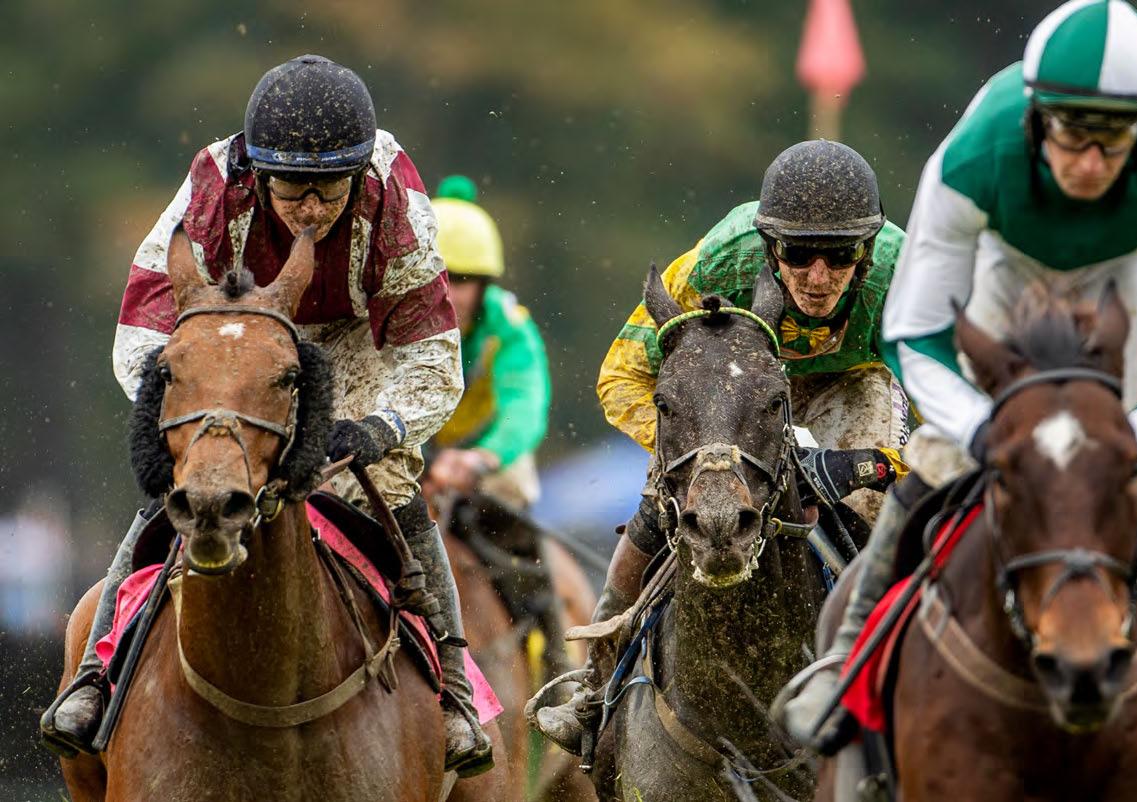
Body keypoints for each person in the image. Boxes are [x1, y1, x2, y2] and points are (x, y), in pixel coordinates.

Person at [782, 0, 1137, 776]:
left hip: (1125, 276)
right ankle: (846, 659)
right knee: (939, 459)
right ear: (1036, 116)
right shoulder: (971, 158)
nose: (1090, 163)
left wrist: (1125, 446)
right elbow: (914, 333)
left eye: (1114, 140)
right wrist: (980, 432)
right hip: (1001, 269)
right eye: (1073, 134)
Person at [40, 55, 493, 776]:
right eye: (292, 189)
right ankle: (97, 675)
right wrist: (185, 422)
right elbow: (144, 334)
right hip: (235, 336)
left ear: (359, 175)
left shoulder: (395, 200)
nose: (311, 209)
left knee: (392, 486)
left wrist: (378, 430)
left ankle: (455, 693)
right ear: (257, 173)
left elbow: (431, 358)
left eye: (329, 189)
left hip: (360, 340)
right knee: (194, 481)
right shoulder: (212, 190)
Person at [534, 139, 912, 754]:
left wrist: (877, 466)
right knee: (664, 504)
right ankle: (595, 686)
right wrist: (703, 450)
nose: (818, 278)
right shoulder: (715, 266)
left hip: (855, 385)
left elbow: (948, 410)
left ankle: (903, 676)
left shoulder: (907, 277)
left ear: (866, 251)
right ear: (769, 246)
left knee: (884, 506)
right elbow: (621, 376)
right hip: (728, 399)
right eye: (799, 255)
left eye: (840, 256)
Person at [424, 176, 551, 511]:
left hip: (479, 452)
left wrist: (483, 457)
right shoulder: (384, 316)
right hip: (403, 445)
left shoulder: (510, 328)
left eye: (461, 281)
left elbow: (524, 403)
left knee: (514, 482)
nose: (448, 295)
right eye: (438, 278)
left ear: (484, 286)